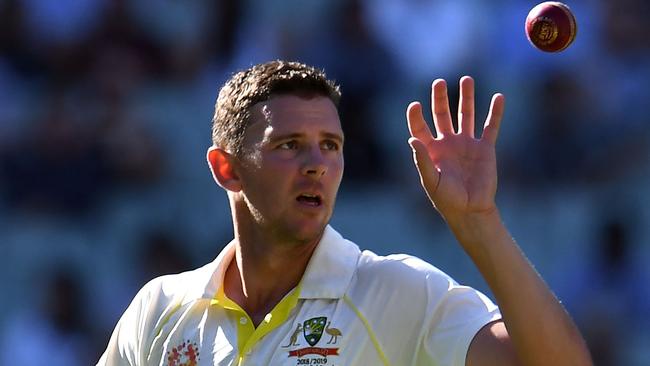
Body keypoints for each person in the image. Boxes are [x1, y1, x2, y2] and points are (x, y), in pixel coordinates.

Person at [98, 60, 592, 365]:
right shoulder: (160, 307)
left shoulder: (396, 290)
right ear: (227, 169)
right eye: (290, 145)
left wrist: (479, 222)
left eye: (330, 146)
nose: (317, 165)